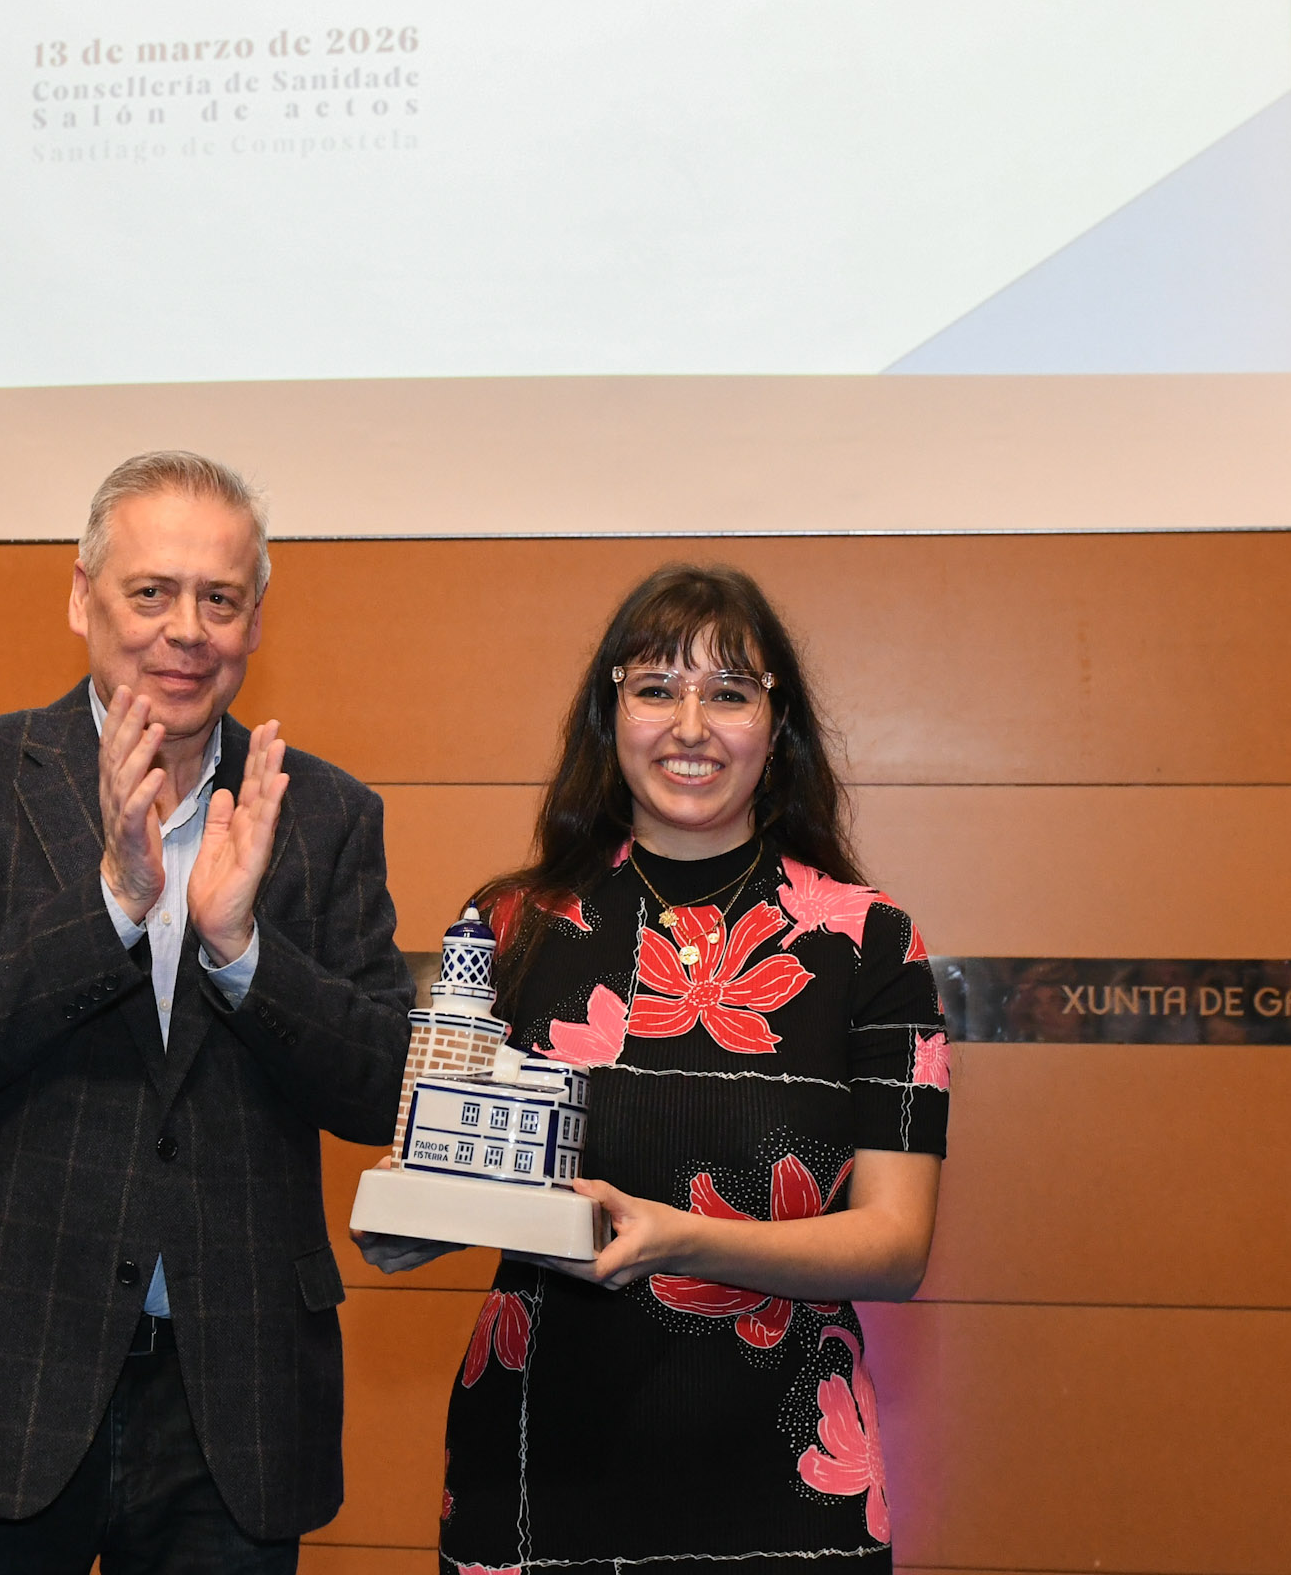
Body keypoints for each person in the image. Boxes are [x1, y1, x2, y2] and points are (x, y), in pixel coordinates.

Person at [0, 450, 415, 1573]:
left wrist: (242, 951)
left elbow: (384, 1087)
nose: (186, 630)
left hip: (231, 1401)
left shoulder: (324, 812)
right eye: (151, 591)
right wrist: (111, 905)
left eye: (219, 598)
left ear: (255, 621)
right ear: (83, 597)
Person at [362, 563, 949, 1575]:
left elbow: (896, 1247)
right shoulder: (510, 927)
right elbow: (448, 1172)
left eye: (729, 692)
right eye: (655, 688)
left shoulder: (871, 943)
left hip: (788, 1477)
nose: (690, 725)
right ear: (610, 715)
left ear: (778, 726)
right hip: (536, 1469)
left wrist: (679, 1237)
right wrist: (412, 1214)